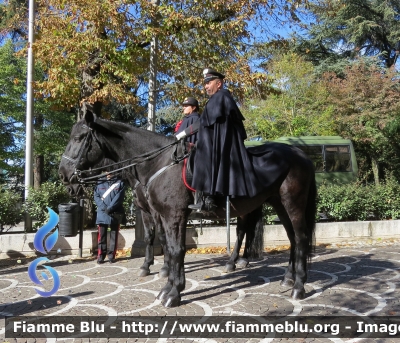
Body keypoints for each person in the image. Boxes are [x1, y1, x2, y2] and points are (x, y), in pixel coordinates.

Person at [176, 68, 269, 212]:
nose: (206, 86)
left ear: (218, 84)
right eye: (205, 84)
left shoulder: (221, 97)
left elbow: (203, 124)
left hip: (224, 145)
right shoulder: (216, 99)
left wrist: (182, 134)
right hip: (218, 142)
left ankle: (209, 198)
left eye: (209, 83)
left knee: (202, 157)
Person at [94, 171, 126, 264]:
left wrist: (110, 208)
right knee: (101, 236)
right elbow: (96, 196)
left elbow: (119, 197)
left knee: (114, 236)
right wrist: (104, 208)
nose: (108, 172)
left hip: (115, 212)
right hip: (102, 212)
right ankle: (101, 256)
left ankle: (111, 256)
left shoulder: (120, 182)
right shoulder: (99, 182)